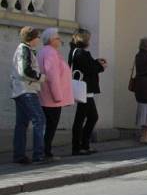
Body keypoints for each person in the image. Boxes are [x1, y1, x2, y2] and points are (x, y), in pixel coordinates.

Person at [10, 26, 47, 164]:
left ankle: (19, 156)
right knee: (40, 120)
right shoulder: (24, 50)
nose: (39, 39)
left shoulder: (25, 49)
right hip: (27, 91)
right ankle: (39, 155)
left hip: (20, 91)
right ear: (32, 38)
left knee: (21, 124)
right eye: (37, 37)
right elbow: (25, 71)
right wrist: (41, 77)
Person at [68, 29, 106, 156]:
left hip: (85, 89)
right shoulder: (80, 53)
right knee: (84, 118)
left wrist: (96, 62)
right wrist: (101, 66)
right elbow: (89, 68)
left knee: (89, 117)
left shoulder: (76, 52)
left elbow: (88, 65)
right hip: (84, 89)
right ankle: (78, 146)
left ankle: (83, 144)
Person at [37, 28, 74, 161]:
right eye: (58, 38)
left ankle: (44, 151)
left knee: (47, 126)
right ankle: (46, 152)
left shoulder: (45, 52)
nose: (60, 41)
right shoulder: (50, 53)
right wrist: (58, 96)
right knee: (50, 127)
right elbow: (53, 76)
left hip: (46, 96)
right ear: (52, 40)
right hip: (51, 98)